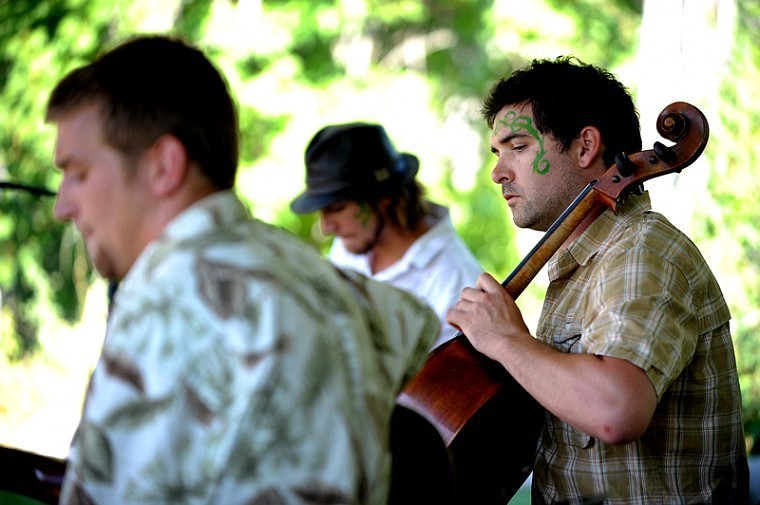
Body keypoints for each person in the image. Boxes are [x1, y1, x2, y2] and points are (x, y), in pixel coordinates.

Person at [46, 34, 439, 505]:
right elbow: (416, 330)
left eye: (79, 173)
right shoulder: (330, 282)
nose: (62, 206)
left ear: (163, 166)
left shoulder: (166, 308)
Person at [446, 55, 749, 503]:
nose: (498, 172)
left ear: (586, 146)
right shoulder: (586, 266)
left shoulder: (641, 251)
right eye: (497, 152)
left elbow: (616, 411)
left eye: (518, 147)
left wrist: (505, 339)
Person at [290, 122, 483, 348]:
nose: (327, 228)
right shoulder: (350, 242)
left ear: (384, 196)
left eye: (338, 208)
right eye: (322, 211)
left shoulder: (455, 282)